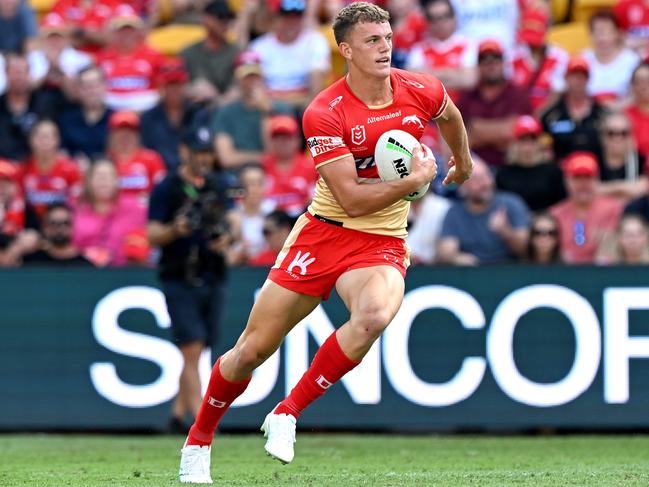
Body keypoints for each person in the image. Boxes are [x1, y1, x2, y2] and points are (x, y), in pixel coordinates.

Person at [178, 2, 473, 483]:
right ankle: (198, 441)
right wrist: (416, 180)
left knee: (375, 315)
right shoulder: (324, 111)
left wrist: (463, 161)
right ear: (346, 50)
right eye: (372, 41)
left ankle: (287, 412)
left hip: (380, 241)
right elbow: (353, 200)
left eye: (387, 37)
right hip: (324, 232)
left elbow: (451, 116)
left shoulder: (420, 88)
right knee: (252, 350)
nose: (384, 48)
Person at [148, 122, 235, 435]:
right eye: (198, 152)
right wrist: (176, 229)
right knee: (192, 345)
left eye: (207, 153)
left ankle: (176, 413)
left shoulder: (217, 184)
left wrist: (225, 238)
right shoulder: (167, 187)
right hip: (179, 274)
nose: (204, 159)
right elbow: (152, 234)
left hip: (213, 272)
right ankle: (201, 421)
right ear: (184, 152)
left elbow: (233, 223)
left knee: (201, 348)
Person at [437, 156, 530, 265]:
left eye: (486, 176)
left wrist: (505, 231)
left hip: (509, 271)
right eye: (476, 179)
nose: (484, 183)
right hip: (471, 274)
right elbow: (446, 250)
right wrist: (457, 258)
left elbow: (525, 250)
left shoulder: (512, 203)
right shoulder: (454, 212)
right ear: (462, 187)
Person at [456, 39, 531, 168]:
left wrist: (475, 128)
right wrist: (501, 132)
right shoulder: (467, 96)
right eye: (484, 60)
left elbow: (516, 134)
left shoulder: (517, 94)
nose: (491, 65)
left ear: (504, 63)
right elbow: (459, 138)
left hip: (510, 166)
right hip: (474, 169)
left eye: (496, 59)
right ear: (478, 66)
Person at [212, 50, 292, 170]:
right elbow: (226, 158)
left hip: (274, 175)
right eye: (246, 77)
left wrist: (265, 113)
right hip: (238, 176)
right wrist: (262, 158)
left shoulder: (281, 109)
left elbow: (280, 154)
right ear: (237, 79)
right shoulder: (225, 112)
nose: (252, 81)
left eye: (255, 75)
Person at [249, 0, 331, 110]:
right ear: (276, 17)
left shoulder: (315, 41)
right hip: (267, 109)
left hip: (303, 108)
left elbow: (316, 84)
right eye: (286, 16)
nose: (292, 22)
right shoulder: (259, 46)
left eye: (297, 16)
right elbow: (254, 85)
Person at [549, 151, 624, 264]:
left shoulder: (615, 209)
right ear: (566, 181)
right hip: (563, 275)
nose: (583, 184)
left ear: (597, 180)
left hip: (605, 274)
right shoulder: (555, 214)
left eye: (588, 178)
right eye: (577, 178)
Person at [72, 157, 148, 267]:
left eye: (109, 176)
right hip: (83, 271)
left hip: (125, 272)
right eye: (98, 176)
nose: (104, 181)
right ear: (88, 181)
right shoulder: (74, 208)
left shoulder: (136, 208)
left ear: (117, 180)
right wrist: (85, 254)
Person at [95, 4, 165, 112]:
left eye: (130, 29)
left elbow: (163, 88)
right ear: (114, 32)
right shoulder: (103, 57)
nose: (125, 34)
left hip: (146, 109)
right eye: (121, 30)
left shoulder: (154, 55)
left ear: (138, 31)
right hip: (110, 110)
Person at [405, 0, 477, 101]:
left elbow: (468, 81)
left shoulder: (468, 45)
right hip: (431, 112)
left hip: (461, 110)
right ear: (427, 22)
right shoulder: (418, 49)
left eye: (444, 16)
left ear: (454, 18)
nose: (440, 23)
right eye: (433, 18)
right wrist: (455, 74)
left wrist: (429, 76)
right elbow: (414, 84)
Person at [540, 56, 607, 161]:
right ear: (566, 78)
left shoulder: (602, 114)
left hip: (595, 172)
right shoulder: (551, 116)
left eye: (582, 77)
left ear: (588, 79)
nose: (578, 81)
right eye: (574, 76)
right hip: (561, 172)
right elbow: (543, 148)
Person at [495, 115, 566, 211]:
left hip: (546, 223)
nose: (527, 147)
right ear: (515, 144)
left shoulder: (553, 173)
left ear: (539, 143)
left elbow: (561, 205)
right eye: (523, 140)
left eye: (532, 140)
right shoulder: (503, 174)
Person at [140, 57, 198, 172]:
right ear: (162, 87)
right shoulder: (148, 118)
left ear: (185, 85)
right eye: (170, 85)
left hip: (193, 174)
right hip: (160, 176)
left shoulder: (198, 113)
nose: (175, 90)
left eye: (178, 84)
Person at [20, 119, 82, 222]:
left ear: (57, 140)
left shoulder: (71, 169)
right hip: (31, 224)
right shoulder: (23, 169)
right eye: (40, 137)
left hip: (62, 225)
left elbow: (77, 205)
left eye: (48, 137)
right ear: (31, 140)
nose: (45, 142)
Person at [179, 0, 239, 105]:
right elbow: (176, 87)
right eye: (220, 18)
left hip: (229, 109)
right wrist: (192, 89)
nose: (225, 23)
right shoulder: (188, 53)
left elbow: (245, 84)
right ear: (206, 19)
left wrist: (231, 95)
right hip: (197, 110)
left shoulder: (237, 52)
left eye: (228, 19)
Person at [262, 114, 319, 217]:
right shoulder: (263, 167)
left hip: (302, 218)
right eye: (278, 138)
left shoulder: (312, 166)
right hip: (270, 222)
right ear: (272, 142)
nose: (283, 142)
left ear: (297, 140)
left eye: (287, 138)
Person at [579, 10, 641, 104]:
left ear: (617, 33)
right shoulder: (581, 60)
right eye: (598, 32)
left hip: (624, 113)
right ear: (590, 34)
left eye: (608, 32)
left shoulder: (632, 61)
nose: (603, 37)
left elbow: (638, 95)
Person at [58, 66, 113, 163]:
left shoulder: (116, 119)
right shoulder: (66, 121)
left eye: (95, 85)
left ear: (105, 86)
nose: (92, 91)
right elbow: (62, 153)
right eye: (86, 86)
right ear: (78, 90)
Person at [107, 111, 167, 199]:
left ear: (137, 135)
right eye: (120, 132)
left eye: (130, 131)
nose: (125, 136)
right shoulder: (105, 161)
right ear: (112, 135)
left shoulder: (151, 158)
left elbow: (162, 189)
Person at [596, 111, 648, 202]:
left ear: (631, 136)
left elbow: (645, 186)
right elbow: (586, 190)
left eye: (624, 133)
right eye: (611, 133)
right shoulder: (594, 161)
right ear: (602, 136)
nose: (617, 138)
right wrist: (626, 189)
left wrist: (605, 188)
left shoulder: (641, 161)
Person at [21, 203, 93, 265]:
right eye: (53, 223)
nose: (59, 228)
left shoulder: (85, 266)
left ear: (73, 227)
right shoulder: (32, 263)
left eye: (65, 223)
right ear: (44, 227)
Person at [624, 62, 649, 160]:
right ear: (633, 85)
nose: (644, 86)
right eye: (639, 82)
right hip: (637, 168)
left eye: (647, 81)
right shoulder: (625, 115)